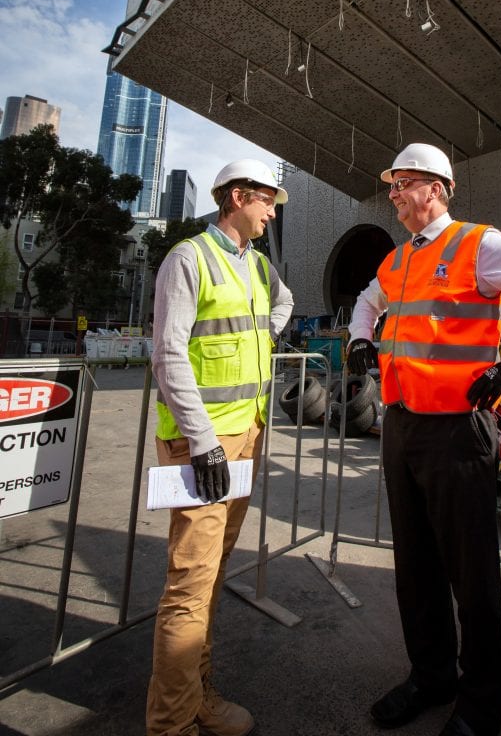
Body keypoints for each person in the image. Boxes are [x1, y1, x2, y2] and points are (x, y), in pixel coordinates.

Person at [346, 143, 501, 736]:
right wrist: (358, 339)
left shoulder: (478, 244)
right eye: (392, 183)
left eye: (404, 183)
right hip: (401, 427)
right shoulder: (397, 261)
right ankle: (431, 678)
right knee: (415, 565)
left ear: (438, 188)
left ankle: (480, 707)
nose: (394, 192)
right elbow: (364, 304)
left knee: (470, 576)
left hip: (457, 430)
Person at [147, 158, 294, 736]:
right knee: (188, 588)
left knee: (210, 576)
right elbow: (168, 353)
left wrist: (267, 334)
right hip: (202, 443)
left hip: (247, 433)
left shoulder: (258, 267)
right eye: (266, 201)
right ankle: (171, 726)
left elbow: (280, 306)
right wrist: (205, 442)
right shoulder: (189, 258)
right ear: (237, 197)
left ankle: (199, 697)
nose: (271, 212)